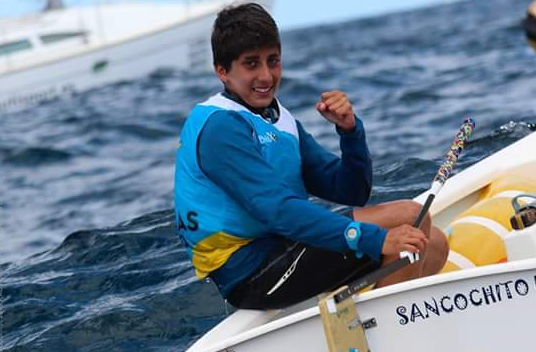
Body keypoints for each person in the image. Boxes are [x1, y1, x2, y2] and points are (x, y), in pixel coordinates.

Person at [174, 2, 448, 310]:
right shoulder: (219, 128)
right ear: (222, 71)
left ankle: (383, 315)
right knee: (411, 217)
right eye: (251, 64)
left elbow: (351, 191)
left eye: (273, 61)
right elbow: (280, 212)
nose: (266, 75)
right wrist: (374, 239)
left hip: (281, 245)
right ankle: (393, 328)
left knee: (434, 244)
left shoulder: (276, 118)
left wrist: (350, 132)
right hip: (250, 273)